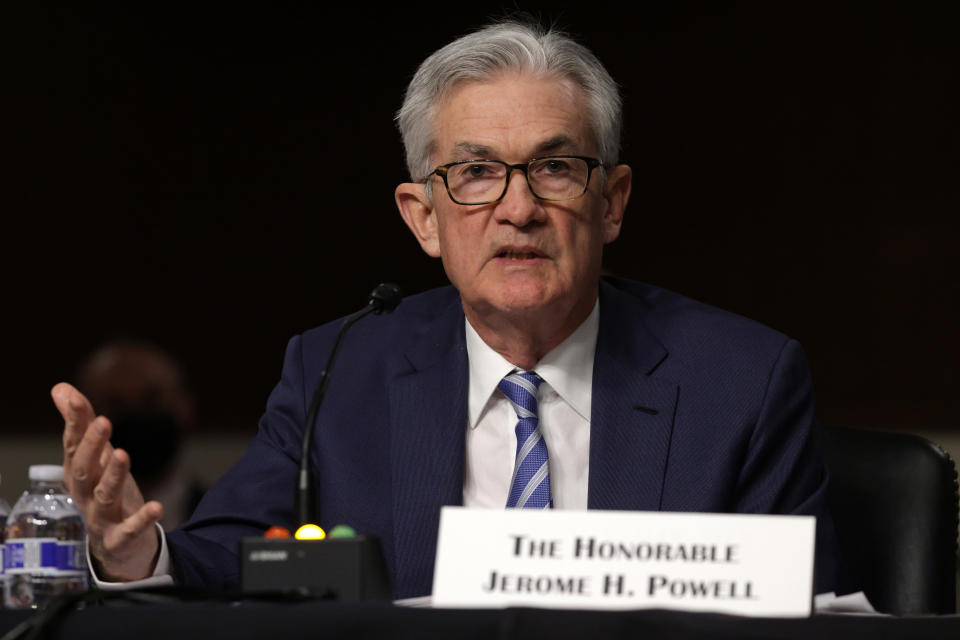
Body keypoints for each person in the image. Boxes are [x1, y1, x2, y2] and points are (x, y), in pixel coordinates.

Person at [51, 19, 843, 597]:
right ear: (421, 216)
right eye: (474, 174)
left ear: (613, 202)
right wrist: (133, 550)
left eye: (556, 167)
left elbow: (795, 607)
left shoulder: (742, 380)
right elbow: (232, 553)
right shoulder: (339, 369)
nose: (518, 208)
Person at [75, 340, 205, 530]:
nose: (135, 413)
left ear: (185, 406)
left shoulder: (227, 516)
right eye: (115, 404)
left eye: (151, 399)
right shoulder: (66, 526)